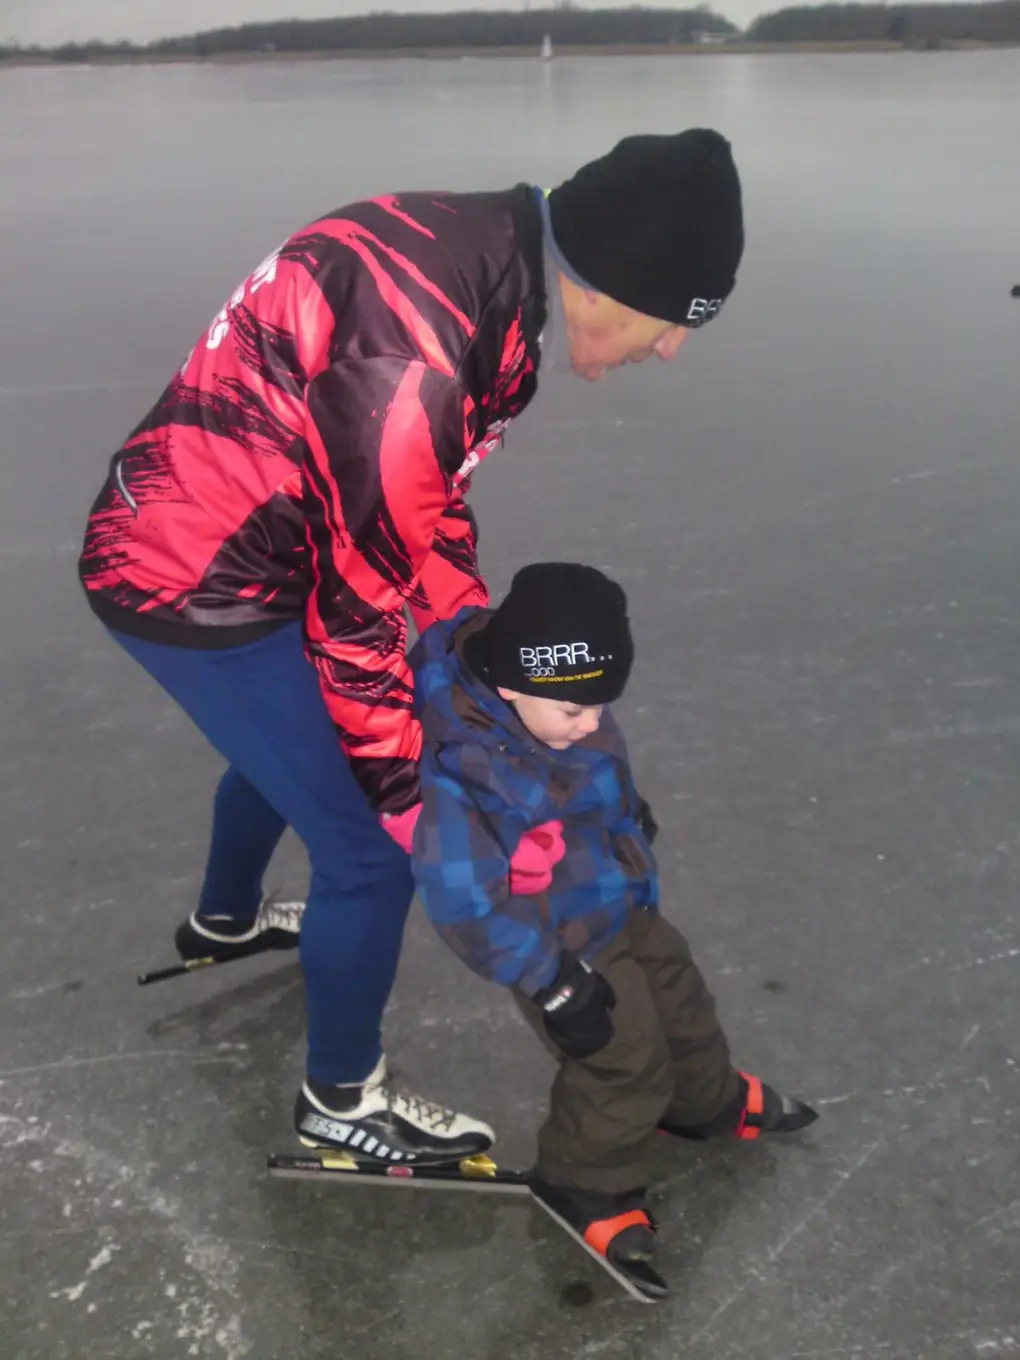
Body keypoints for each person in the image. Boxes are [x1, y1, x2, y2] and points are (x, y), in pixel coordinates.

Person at [77, 129, 745, 1162]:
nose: (671, 347)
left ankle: (223, 920)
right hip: (193, 576)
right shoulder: (424, 352)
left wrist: (469, 655)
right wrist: (417, 798)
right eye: (673, 320)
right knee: (366, 853)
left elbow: (424, 511)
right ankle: (342, 1098)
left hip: (248, 530)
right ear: (614, 281)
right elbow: (355, 617)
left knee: (287, 746)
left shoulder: (492, 259)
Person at [408, 563, 817, 1285]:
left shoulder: (560, 701)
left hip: (618, 894)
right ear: (510, 685)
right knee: (623, 1060)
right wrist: (551, 982)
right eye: (576, 712)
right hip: (555, 943)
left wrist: (628, 817)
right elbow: (461, 902)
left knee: (682, 1001)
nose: (593, 722)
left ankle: (703, 1102)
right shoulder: (462, 770)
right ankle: (584, 1179)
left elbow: (594, 765)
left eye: (602, 705)